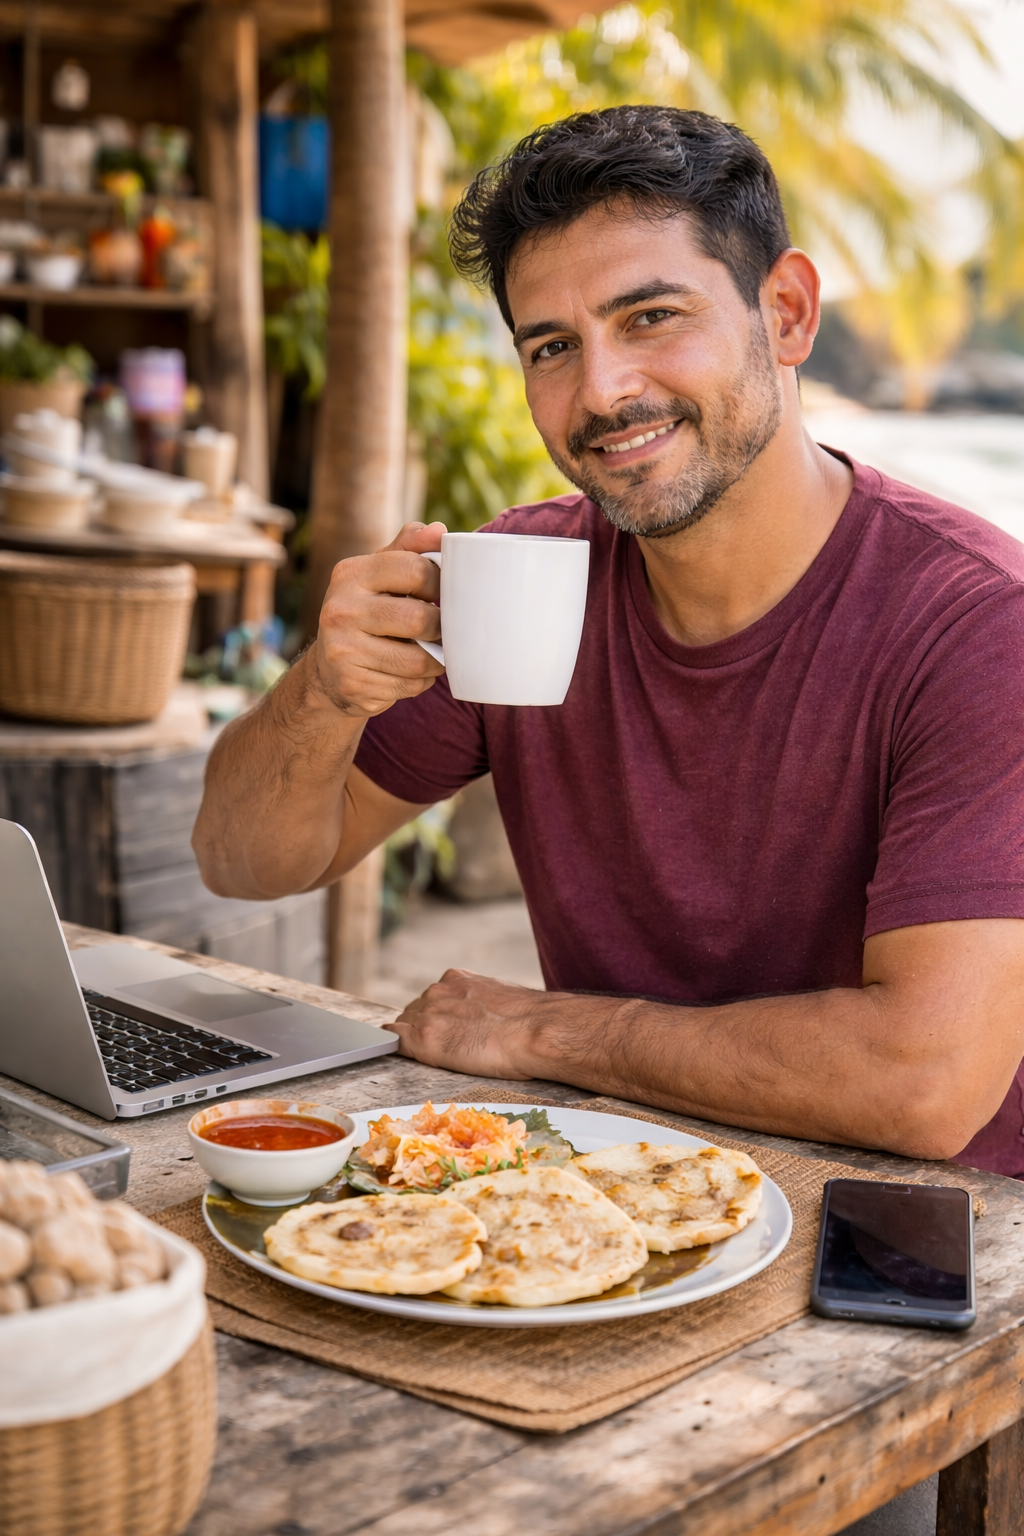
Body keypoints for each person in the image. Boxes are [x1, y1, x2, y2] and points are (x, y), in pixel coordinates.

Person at [193, 107, 1024, 1175]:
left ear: (785, 313)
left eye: (649, 317)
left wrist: (546, 1031)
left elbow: (922, 1081)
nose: (599, 391)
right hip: (602, 1204)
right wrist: (324, 689)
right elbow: (245, 861)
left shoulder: (976, 626)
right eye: (551, 346)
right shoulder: (522, 581)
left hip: (915, 1251)